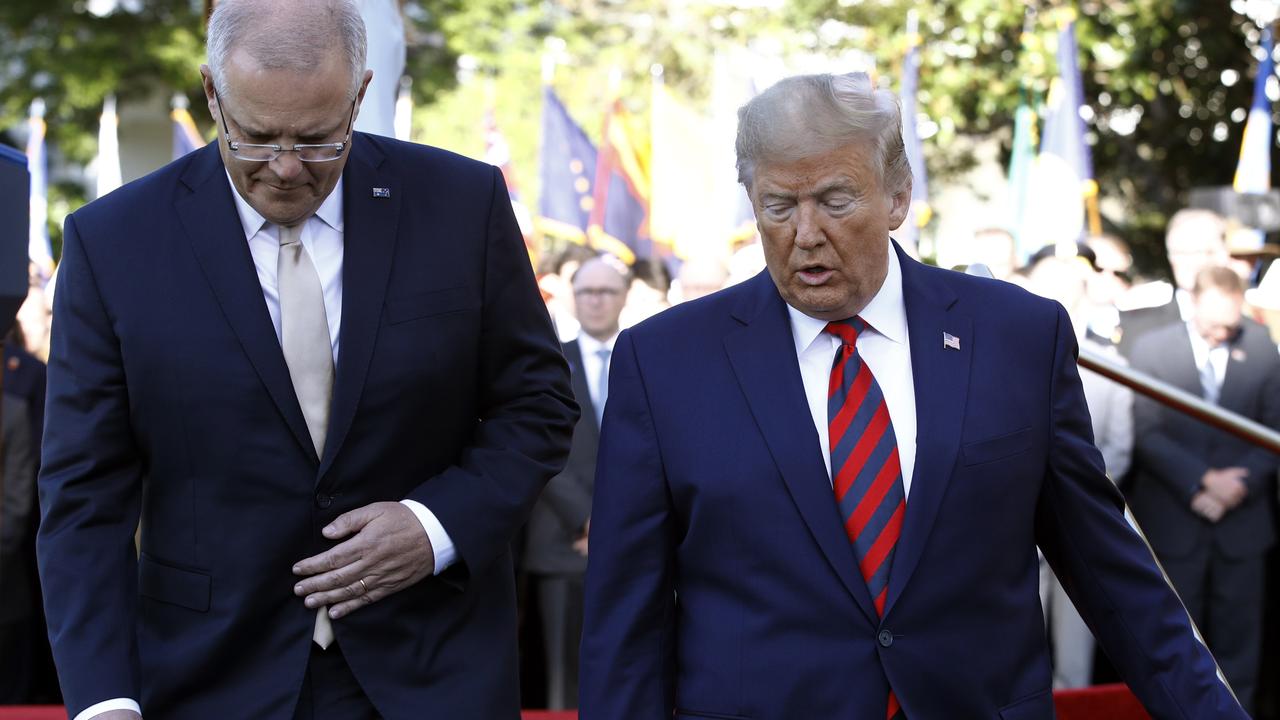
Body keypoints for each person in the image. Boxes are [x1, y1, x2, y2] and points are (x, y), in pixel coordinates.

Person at [579, 72, 1245, 719]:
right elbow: (623, 622)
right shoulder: (666, 363)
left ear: (897, 197)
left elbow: (1111, 573)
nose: (805, 234)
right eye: (779, 206)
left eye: (835, 201)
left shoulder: (1017, 338)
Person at [36, 2, 577, 719]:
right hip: (208, 680)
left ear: (359, 96)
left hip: (432, 671)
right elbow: (83, 496)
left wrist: (436, 524)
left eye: (320, 140)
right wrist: (104, 702)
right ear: (211, 94)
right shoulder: (114, 244)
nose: (287, 169)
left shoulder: (461, 205)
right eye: (257, 138)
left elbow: (537, 404)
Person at [1126, 266, 1280, 715]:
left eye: (1229, 325)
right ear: (1191, 303)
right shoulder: (1151, 348)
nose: (1220, 333)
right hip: (1175, 519)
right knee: (1173, 644)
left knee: (1239, 648)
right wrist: (1201, 482)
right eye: (1212, 323)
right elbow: (1147, 432)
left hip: (1243, 524)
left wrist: (1237, 486)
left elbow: (1271, 432)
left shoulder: (1262, 349)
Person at [523, 255, 627, 710]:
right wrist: (588, 520)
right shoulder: (548, 362)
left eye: (606, 291)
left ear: (624, 296)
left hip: (632, 546)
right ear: (574, 299)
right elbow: (533, 442)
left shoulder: (647, 358)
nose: (596, 301)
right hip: (563, 545)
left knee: (627, 671)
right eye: (587, 292)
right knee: (562, 680)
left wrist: (616, 526)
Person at [1026, 255, 1134, 689]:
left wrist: (1070, 504)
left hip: (1082, 531)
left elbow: (1119, 449)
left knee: (1076, 661)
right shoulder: (992, 361)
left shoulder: (1112, 365)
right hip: (1012, 535)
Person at [1118, 209, 1230, 356]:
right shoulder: (1141, 328)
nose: (1189, 262)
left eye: (1199, 251)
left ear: (1222, 256)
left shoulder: (1254, 325)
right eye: (1180, 252)